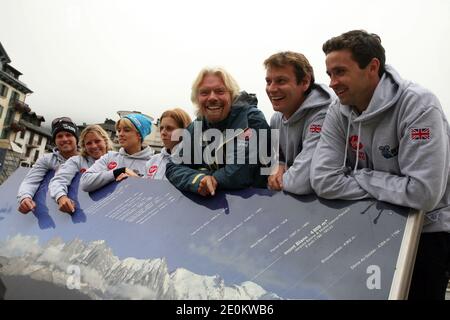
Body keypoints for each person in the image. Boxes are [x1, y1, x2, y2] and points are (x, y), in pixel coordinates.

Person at [310, 30, 450, 299]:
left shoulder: (419, 105)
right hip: (369, 227)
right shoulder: (338, 109)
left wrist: (360, 175)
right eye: (329, 74)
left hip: (426, 234)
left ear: (372, 67)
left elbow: (423, 194)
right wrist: (394, 186)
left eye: (340, 72)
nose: (333, 83)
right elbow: (324, 180)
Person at [165, 67, 271, 196]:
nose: (212, 97)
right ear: (197, 99)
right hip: (210, 207)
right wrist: (198, 179)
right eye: (204, 93)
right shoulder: (197, 125)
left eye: (220, 91)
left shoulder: (252, 119)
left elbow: (239, 174)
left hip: (252, 206)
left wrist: (203, 174)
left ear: (231, 96)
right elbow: (172, 167)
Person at [264, 51, 336, 194]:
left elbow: (301, 183)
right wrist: (279, 164)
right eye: (268, 81)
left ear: (305, 82)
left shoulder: (326, 113)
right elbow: (274, 163)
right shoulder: (276, 118)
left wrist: (281, 178)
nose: (271, 89)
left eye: (281, 81)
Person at [17, 117, 79, 214]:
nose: (64, 139)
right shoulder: (47, 159)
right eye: (59, 136)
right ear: (55, 141)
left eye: (69, 135)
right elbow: (31, 181)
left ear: (76, 139)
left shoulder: (87, 158)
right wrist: (25, 197)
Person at [80, 113, 154, 192]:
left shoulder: (153, 162)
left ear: (139, 135)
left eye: (126, 130)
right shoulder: (109, 157)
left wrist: (135, 180)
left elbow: (154, 194)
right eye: (119, 130)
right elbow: (85, 183)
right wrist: (117, 172)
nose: (120, 134)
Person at [49, 125, 113, 214]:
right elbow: (58, 180)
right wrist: (61, 197)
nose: (94, 146)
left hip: (112, 210)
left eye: (97, 141)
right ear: (84, 146)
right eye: (89, 143)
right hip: (85, 212)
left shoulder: (117, 159)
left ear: (105, 142)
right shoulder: (77, 161)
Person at [145, 108, 192, 180]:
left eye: (169, 128)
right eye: (161, 128)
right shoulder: (153, 160)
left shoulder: (192, 163)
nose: (163, 132)